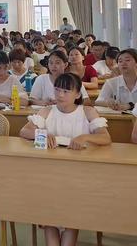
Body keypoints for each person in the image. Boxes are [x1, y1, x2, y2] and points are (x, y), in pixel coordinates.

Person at [20, 73, 110, 246]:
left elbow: (105, 138)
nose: (60, 94)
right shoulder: (47, 110)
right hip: (49, 175)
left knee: (71, 212)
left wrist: (85, 137)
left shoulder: (87, 111)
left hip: (78, 176)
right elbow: (25, 131)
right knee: (48, 209)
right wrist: (42, 133)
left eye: (66, 91)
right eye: (57, 89)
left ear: (77, 94)